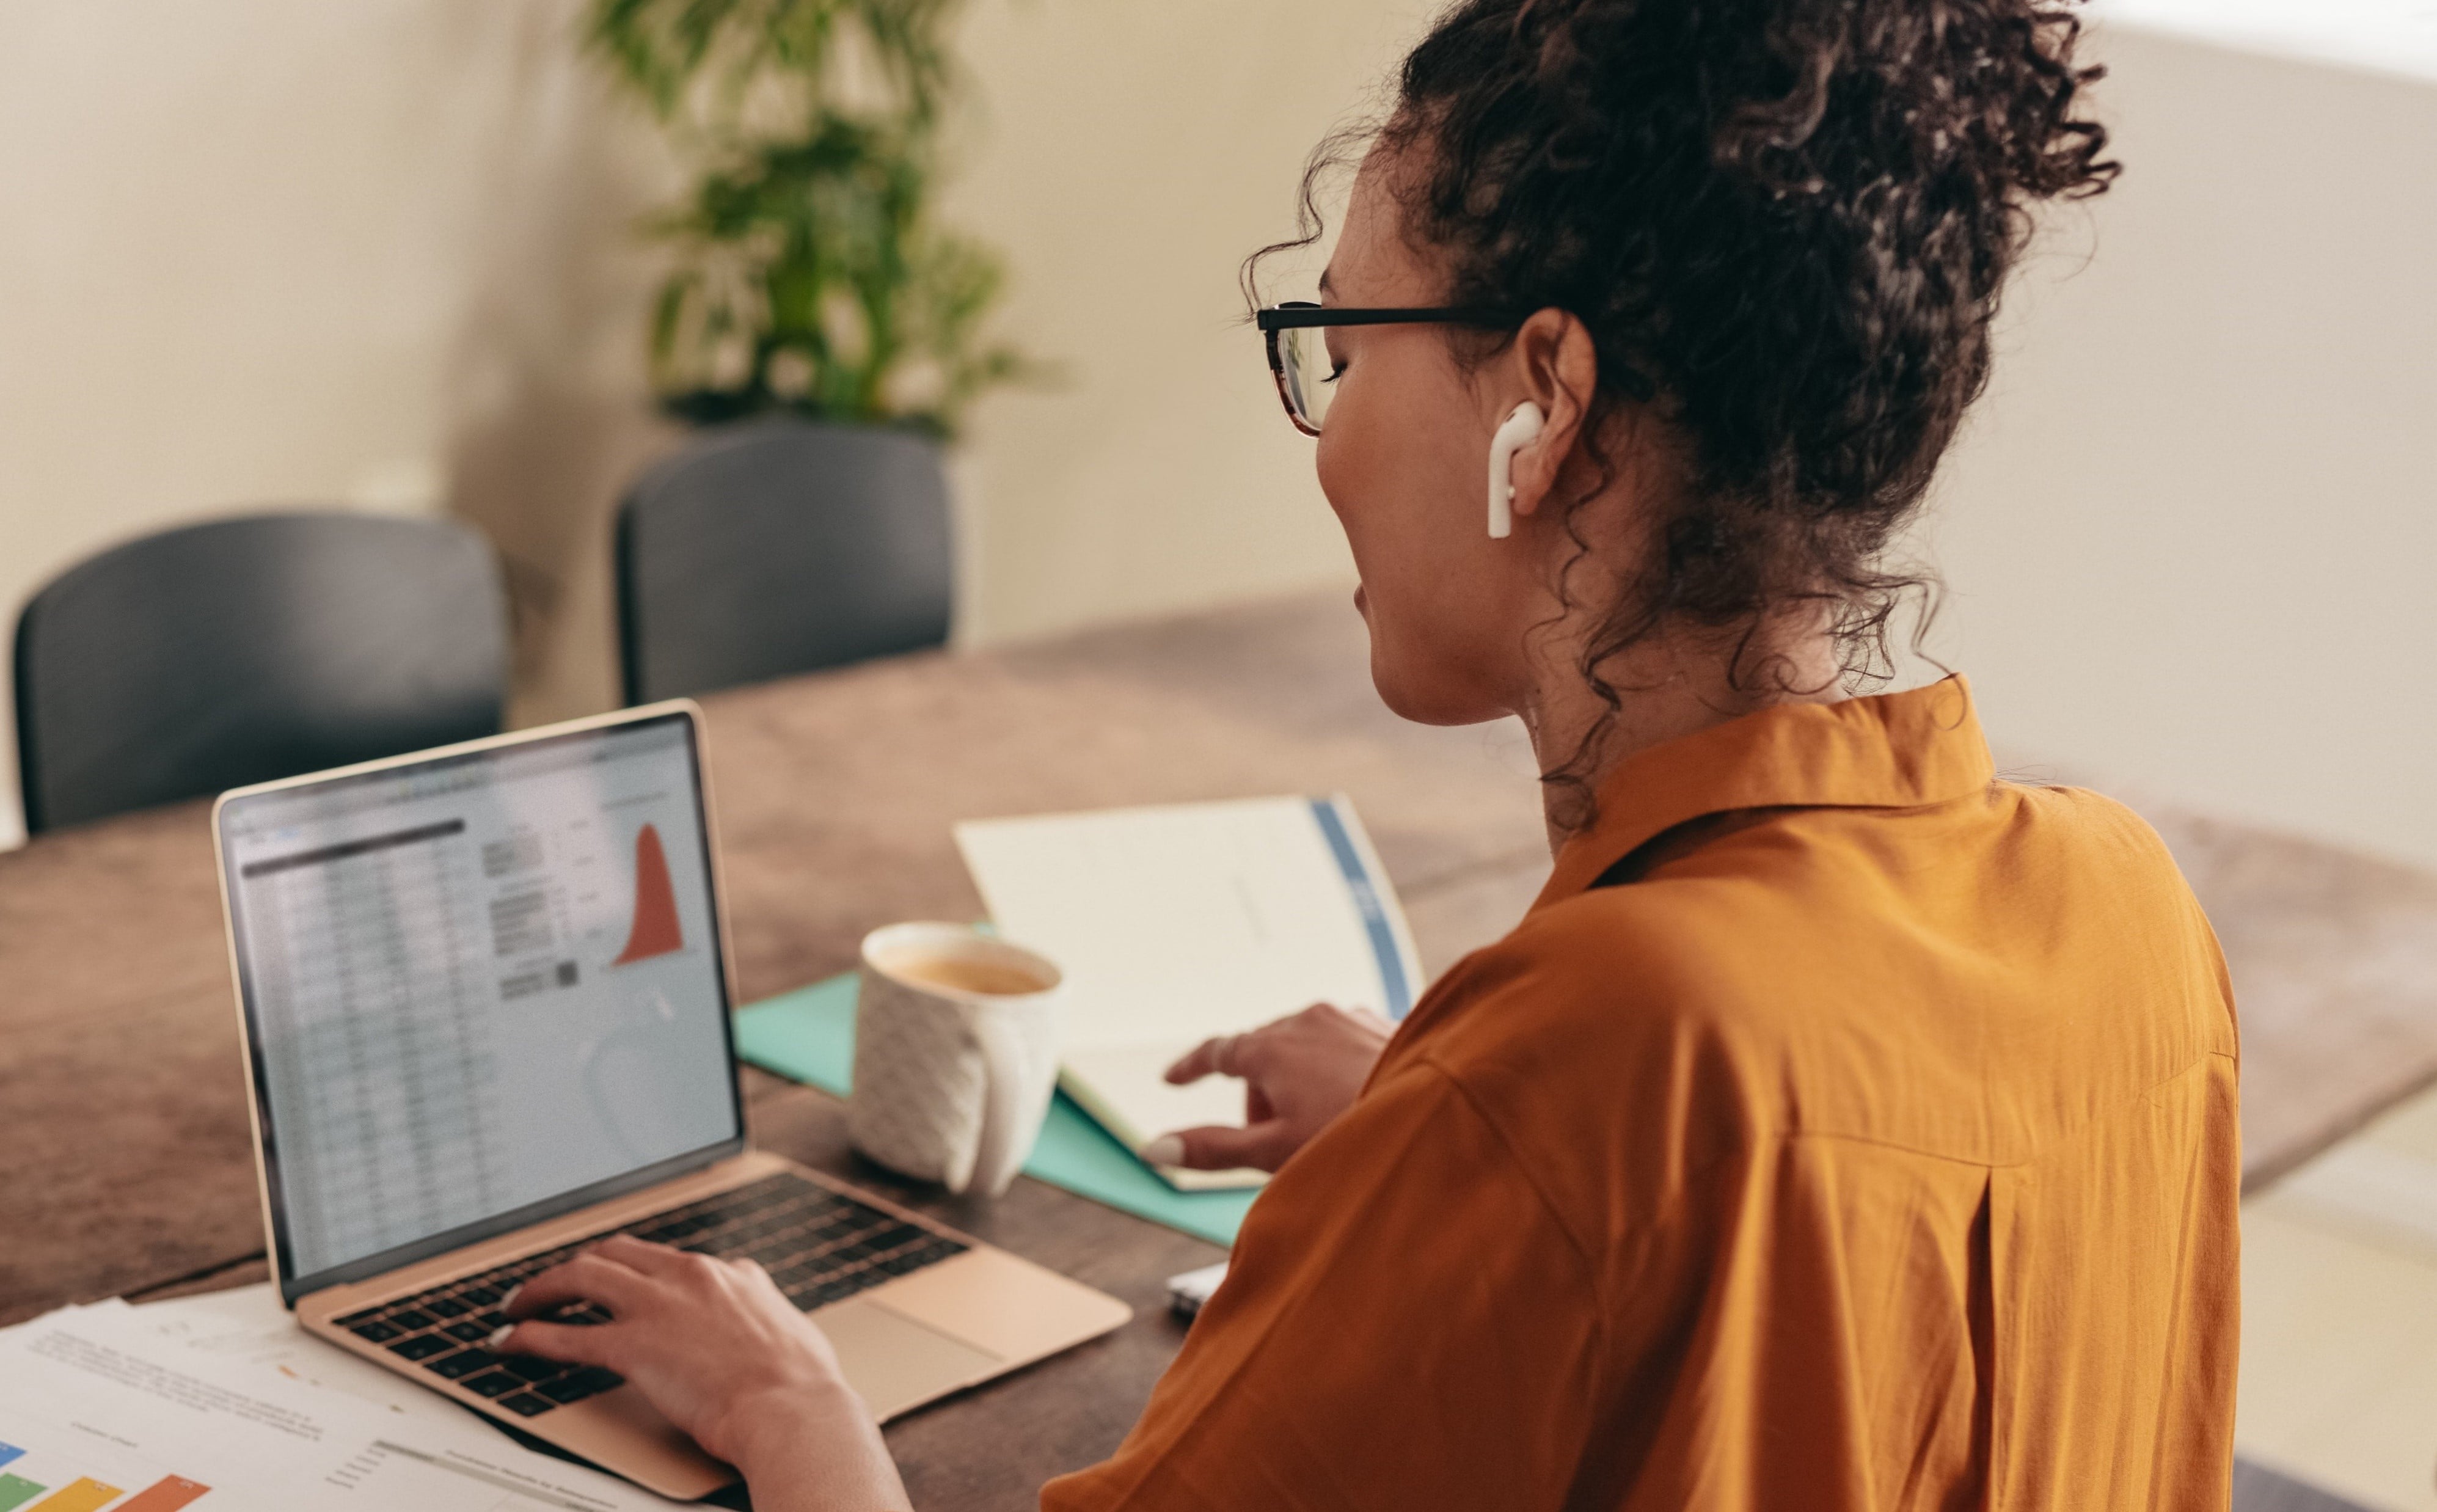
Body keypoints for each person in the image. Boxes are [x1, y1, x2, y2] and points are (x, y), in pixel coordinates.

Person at [492, 0, 2241, 1504]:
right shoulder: (2134, 908)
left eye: (1343, 343)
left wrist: (800, 1417)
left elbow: (1665, 1103)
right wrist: (1454, 1152)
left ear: (1542, 401)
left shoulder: (1603, 1057)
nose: (1326, 443)